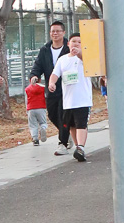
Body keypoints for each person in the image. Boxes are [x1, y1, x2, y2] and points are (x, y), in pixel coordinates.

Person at [50, 34, 95, 163]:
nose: (76, 44)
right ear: (68, 44)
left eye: (79, 42)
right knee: (71, 125)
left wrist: (79, 53)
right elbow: (55, 74)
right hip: (68, 100)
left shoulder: (85, 58)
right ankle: (78, 148)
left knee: (81, 124)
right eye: (73, 41)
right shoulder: (62, 59)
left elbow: (86, 61)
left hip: (83, 99)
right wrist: (52, 83)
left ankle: (81, 147)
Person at [30, 20, 70, 154]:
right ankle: (66, 132)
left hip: (67, 88)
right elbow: (37, 66)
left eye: (58, 31)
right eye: (53, 31)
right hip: (51, 88)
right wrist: (34, 76)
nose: (55, 34)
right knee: (52, 115)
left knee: (62, 115)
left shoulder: (68, 48)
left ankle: (62, 142)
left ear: (63, 32)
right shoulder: (45, 50)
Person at [24, 76, 49, 145]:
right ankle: (43, 128)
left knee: (33, 125)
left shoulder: (27, 89)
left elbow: (26, 100)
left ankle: (35, 139)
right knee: (43, 122)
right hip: (41, 107)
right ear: (40, 80)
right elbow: (46, 97)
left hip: (31, 108)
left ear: (30, 80)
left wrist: (27, 109)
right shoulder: (43, 88)